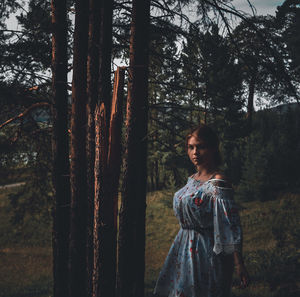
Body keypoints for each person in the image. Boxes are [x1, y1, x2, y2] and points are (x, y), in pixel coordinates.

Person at [153, 124, 249, 297]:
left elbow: (230, 225)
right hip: (183, 248)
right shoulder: (191, 180)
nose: (195, 152)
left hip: (206, 252)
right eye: (191, 147)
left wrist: (239, 264)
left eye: (200, 146)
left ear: (213, 148)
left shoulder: (218, 182)